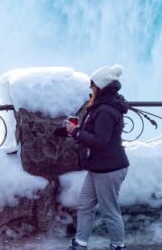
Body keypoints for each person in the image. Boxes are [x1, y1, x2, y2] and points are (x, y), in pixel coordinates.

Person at [64, 64, 130, 250]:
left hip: (109, 168)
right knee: (85, 205)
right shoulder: (101, 106)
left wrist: (77, 132)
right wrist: (72, 131)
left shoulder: (106, 111)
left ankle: (118, 246)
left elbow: (101, 141)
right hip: (98, 167)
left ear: (101, 86)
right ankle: (80, 243)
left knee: (110, 210)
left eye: (92, 85)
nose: (90, 88)